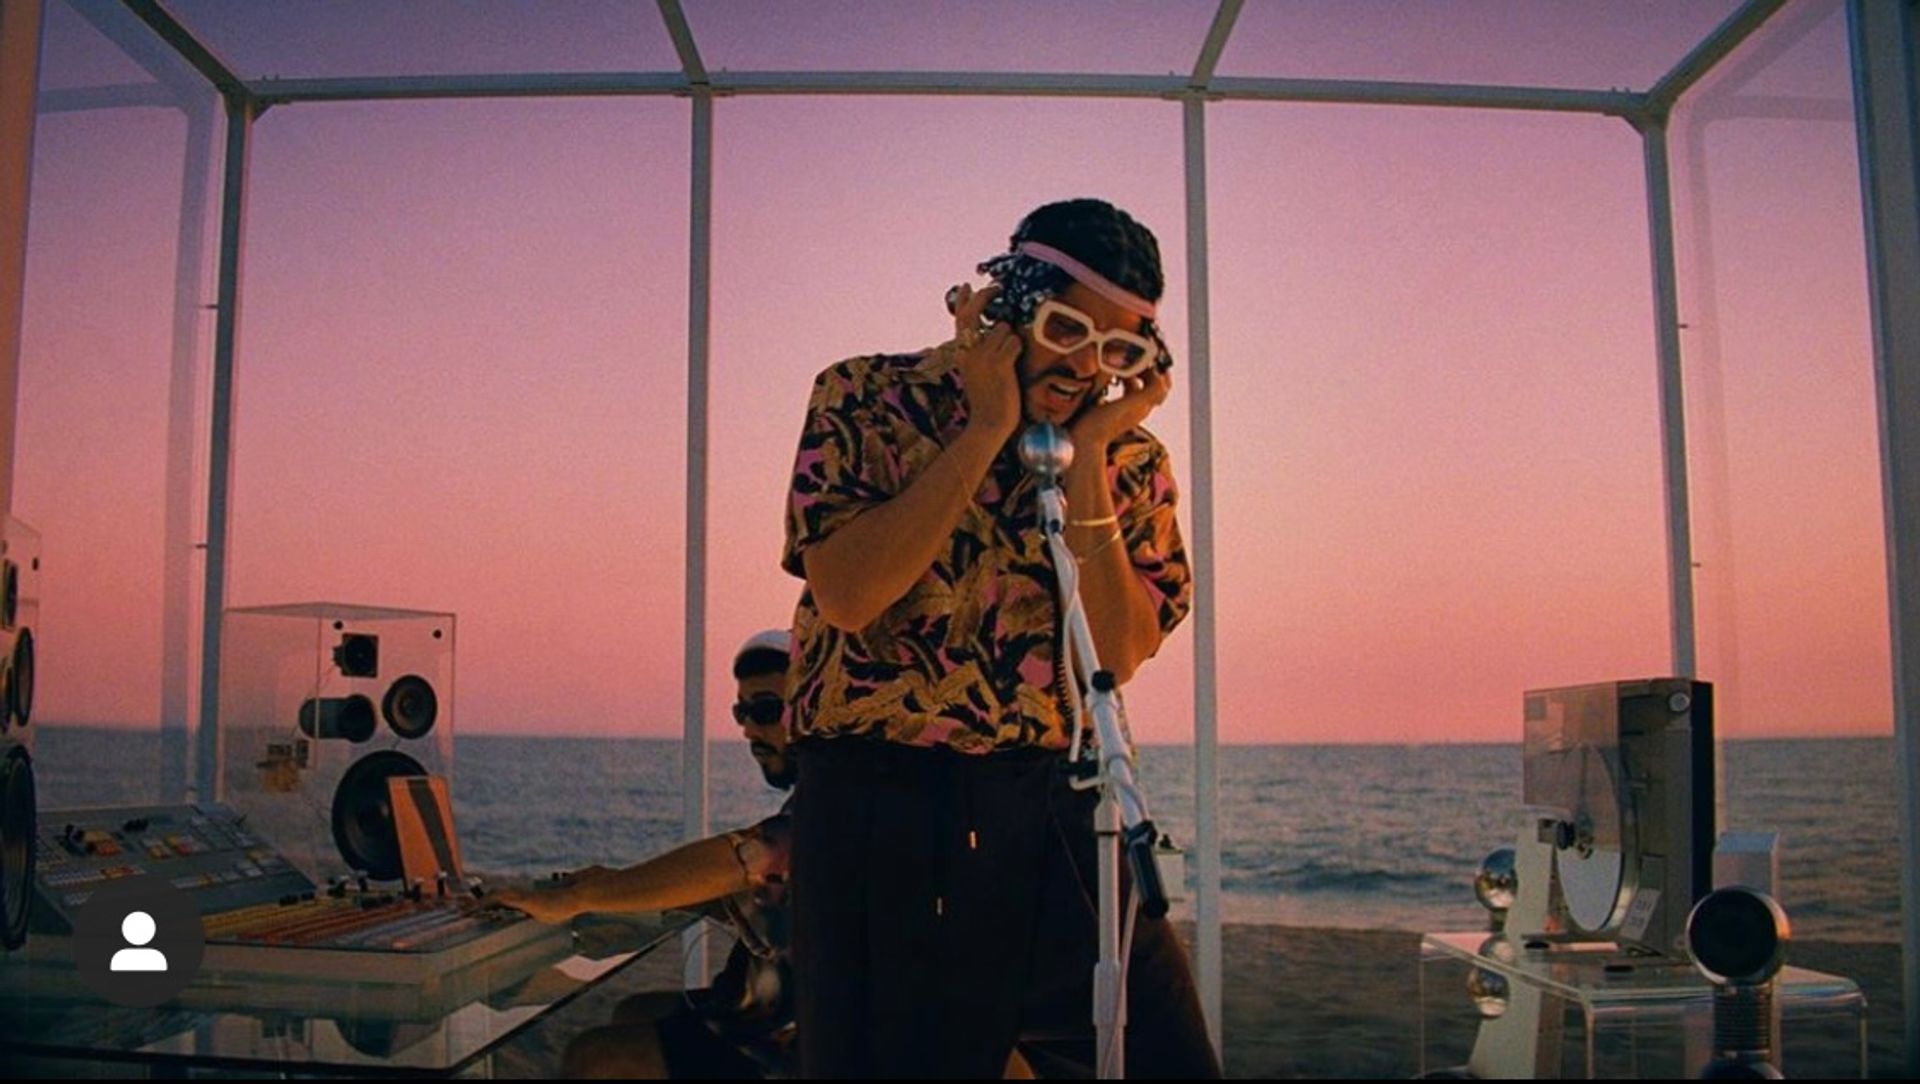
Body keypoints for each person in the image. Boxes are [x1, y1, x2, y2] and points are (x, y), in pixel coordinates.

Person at [782, 198, 1222, 1078]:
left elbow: (1116, 657)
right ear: (1009, 304)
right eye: (1067, 329)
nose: (1086, 366)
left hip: (1050, 804)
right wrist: (986, 431)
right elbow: (848, 596)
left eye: (1118, 350)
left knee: (1167, 1059)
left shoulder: (1131, 461)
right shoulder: (866, 396)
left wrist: (1089, 454)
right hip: (881, 807)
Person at [494, 629, 799, 1079]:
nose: (749, 729)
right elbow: (770, 898)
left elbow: (744, 858)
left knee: (595, 1058)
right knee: (635, 1010)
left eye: (766, 710)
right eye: (742, 712)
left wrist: (582, 897)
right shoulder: (809, 797)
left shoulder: (833, 803)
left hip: (794, 1036)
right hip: (762, 1004)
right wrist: (624, 892)